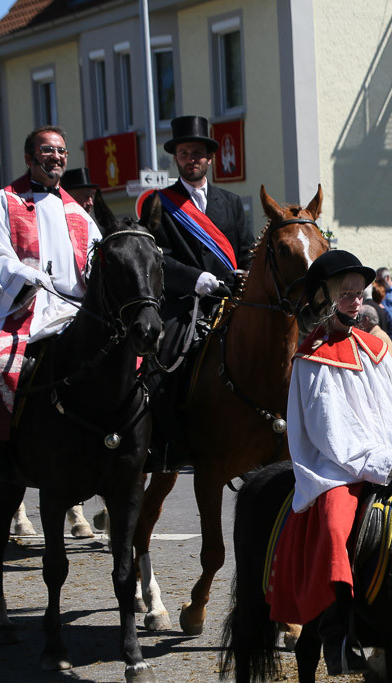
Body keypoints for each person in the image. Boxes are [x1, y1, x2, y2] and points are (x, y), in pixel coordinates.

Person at [265, 250, 392, 674]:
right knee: (335, 524)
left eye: (358, 293)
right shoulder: (312, 360)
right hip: (340, 468)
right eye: (345, 294)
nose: (355, 301)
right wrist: (382, 462)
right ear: (322, 299)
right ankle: (338, 628)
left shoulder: (373, 350)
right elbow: (335, 435)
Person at [0, 125, 102, 482]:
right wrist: (26, 277)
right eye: (47, 150)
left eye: (61, 151)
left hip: (75, 308)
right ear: (30, 158)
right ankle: (0, 447)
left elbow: (97, 259)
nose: (55, 157)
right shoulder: (5, 202)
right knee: (5, 364)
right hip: (27, 307)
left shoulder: (78, 213)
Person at [138, 115, 256, 471]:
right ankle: (165, 441)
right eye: (185, 152)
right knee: (162, 363)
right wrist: (195, 278)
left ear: (210, 158)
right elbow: (155, 257)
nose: (192, 158)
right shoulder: (158, 202)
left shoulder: (232, 202)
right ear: (176, 158)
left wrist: (245, 273)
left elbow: (247, 248)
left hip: (230, 299)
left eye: (198, 153)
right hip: (183, 302)